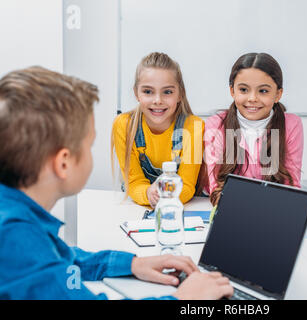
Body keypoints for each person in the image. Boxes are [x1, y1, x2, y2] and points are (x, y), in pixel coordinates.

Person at [0, 66, 233, 300]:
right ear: (64, 163)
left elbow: (65, 258)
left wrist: (133, 265)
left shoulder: (16, 225)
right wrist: (184, 299)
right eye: (89, 146)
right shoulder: (17, 242)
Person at [204, 52, 304, 206]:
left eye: (263, 91)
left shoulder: (291, 125)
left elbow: (291, 188)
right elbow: (216, 189)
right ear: (232, 91)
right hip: (231, 210)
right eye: (243, 90)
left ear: (278, 94)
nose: (252, 98)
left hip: (271, 211)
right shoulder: (216, 125)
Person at [112, 52, 204, 208]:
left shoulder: (194, 127)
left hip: (179, 207)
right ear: (136, 93)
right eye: (148, 91)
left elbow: (187, 186)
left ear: (180, 94)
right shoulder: (124, 125)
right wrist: (148, 193)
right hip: (138, 207)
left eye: (167, 92)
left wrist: (165, 195)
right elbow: (134, 182)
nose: (157, 100)